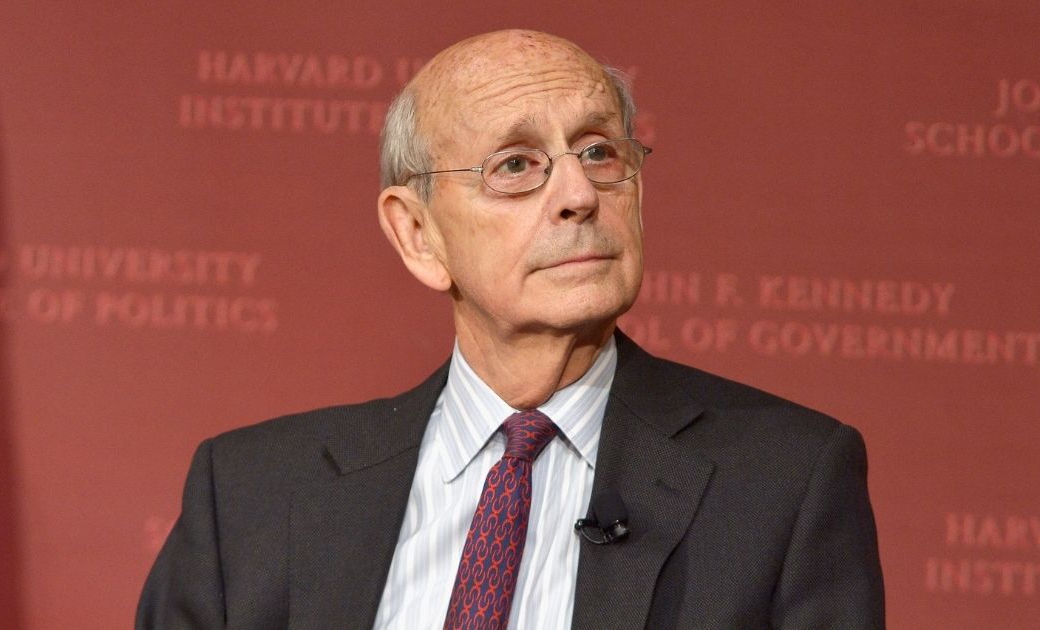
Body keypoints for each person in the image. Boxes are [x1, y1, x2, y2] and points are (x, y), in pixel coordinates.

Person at [138, 29, 884, 629]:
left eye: (600, 152)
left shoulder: (784, 484)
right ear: (418, 235)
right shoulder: (252, 497)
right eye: (517, 165)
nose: (577, 194)